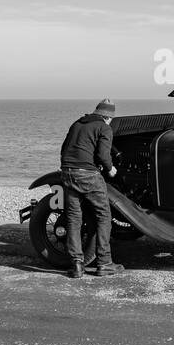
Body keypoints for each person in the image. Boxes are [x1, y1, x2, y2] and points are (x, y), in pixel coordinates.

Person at [58, 98, 123, 279]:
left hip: (68, 172)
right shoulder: (104, 128)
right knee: (104, 215)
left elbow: (64, 149)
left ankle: (77, 265)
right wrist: (111, 169)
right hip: (87, 175)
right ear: (108, 117)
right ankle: (104, 263)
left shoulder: (77, 124)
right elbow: (103, 155)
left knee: (74, 219)